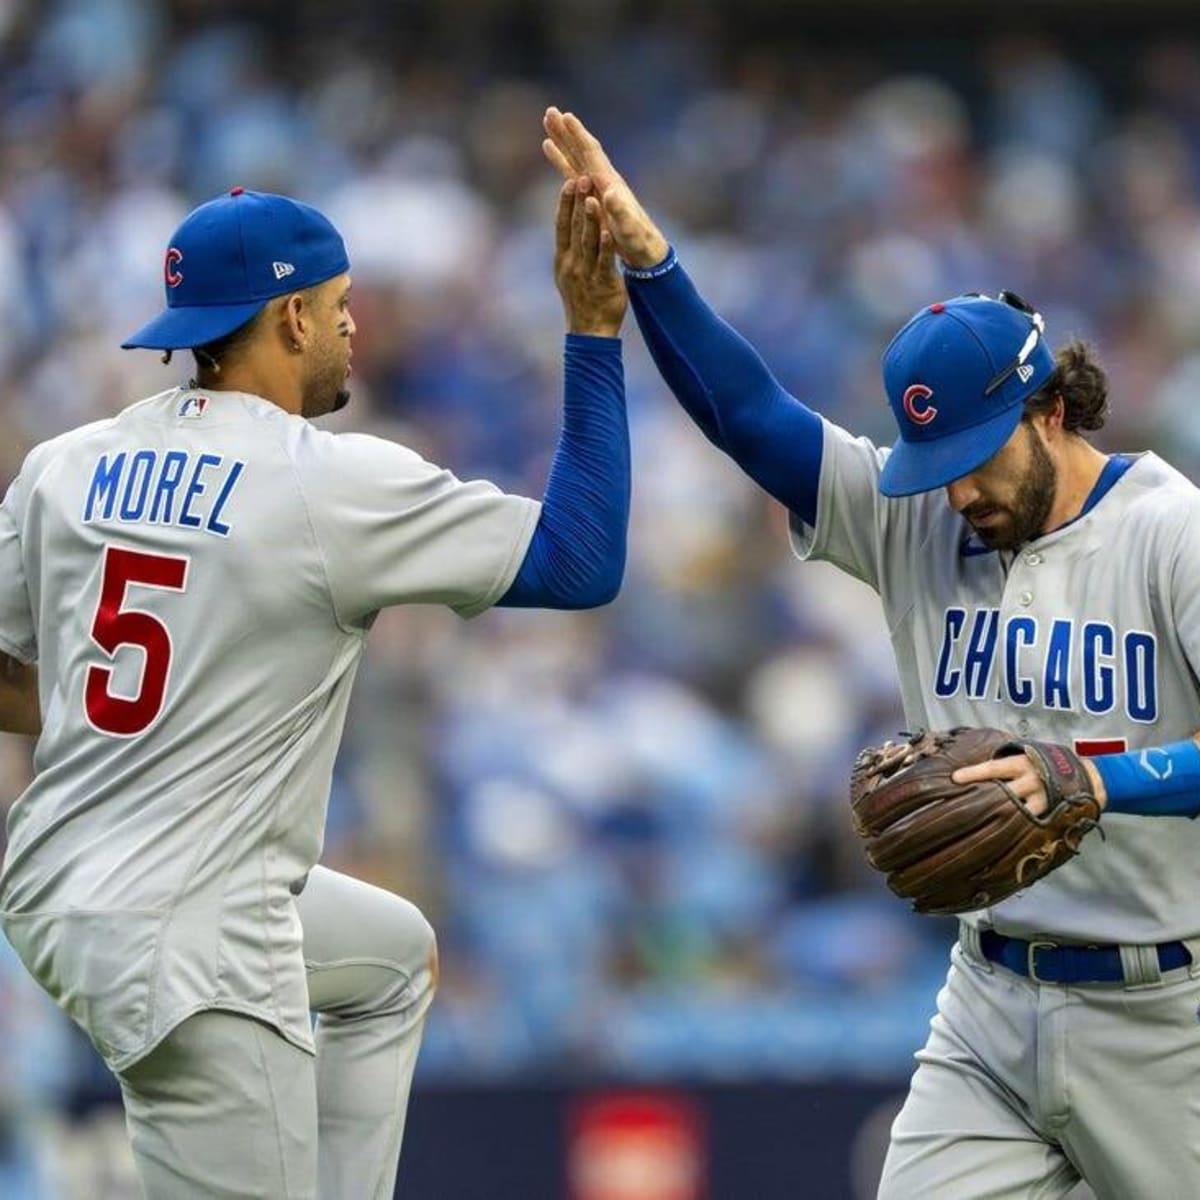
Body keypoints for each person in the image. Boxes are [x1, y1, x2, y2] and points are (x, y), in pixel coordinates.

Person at [543, 107, 1200, 1198]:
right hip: (988, 1009)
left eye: (977, 455)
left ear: (1047, 412)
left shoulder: (1170, 533)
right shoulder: (918, 521)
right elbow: (749, 413)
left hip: (1167, 1012)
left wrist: (1095, 781)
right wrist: (652, 264)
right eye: (932, 459)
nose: (956, 488)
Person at [0, 175, 629, 1198]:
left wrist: (124, 711)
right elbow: (582, 558)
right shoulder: (322, 478)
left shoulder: (69, 465)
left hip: (62, 885)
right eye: (339, 307)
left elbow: (13, 676)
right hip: (192, 932)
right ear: (290, 317)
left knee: (388, 961)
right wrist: (593, 334)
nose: (350, 328)